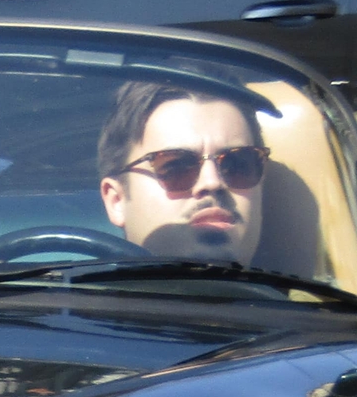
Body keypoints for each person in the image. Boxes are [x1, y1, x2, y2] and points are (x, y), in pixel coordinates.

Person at [96, 80, 272, 264]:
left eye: (238, 165)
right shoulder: (72, 293)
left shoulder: (302, 289)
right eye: (176, 167)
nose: (212, 182)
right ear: (116, 201)